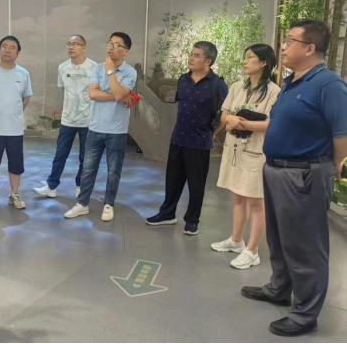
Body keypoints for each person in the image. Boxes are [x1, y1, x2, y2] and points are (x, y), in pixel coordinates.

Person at [241, 20, 347, 337]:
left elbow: (342, 134)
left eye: (290, 41)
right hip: (277, 169)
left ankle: (305, 314)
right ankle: (279, 288)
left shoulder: (328, 84)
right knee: (279, 239)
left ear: (310, 48)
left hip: (304, 174)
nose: (283, 46)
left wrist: (333, 166)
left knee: (305, 247)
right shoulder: (291, 82)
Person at [146, 42, 228, 236]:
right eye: (191, 54)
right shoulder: (183, 79)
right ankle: (167, 213)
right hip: (178, 138)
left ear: (208, 61)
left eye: (197, 55)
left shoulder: (217, 84)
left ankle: (192, 220)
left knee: (196, 184)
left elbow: (226, 114)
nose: (191, 58)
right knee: (172, 181)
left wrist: (213, 132)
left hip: (199, 143)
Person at [211, 45, 281, 270]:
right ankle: (236, 240)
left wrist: (242, 123)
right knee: (238, 198)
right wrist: (229, 120)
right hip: (235, 150)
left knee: (256, 203)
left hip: (256, 152)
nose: (245, 61)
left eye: (250, 57)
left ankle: (252, 251)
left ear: (263, 62)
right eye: (245, 57)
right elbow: (225, 113)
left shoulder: (273, 91)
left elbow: (272, 124)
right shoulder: (237, 87)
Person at [64, 33, 137, 222]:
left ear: (126, 51)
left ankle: (108, 204)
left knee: (113, 171)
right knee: (88, 169)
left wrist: (111, 73)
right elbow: (93, 94)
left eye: (116, 45)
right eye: (110, 43)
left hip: (117, 130)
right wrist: (118, 95)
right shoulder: (97, 68)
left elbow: (119, 94)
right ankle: (82, 204)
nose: (111, 47)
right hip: (95, 127)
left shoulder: (130, 72)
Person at [34, 35, 97, 199]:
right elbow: (65, 92)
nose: (71, 47)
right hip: (68, 120)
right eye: (69, 44)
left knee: (85, 157)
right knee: (60, 155)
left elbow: (96, 93)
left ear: (84, 47)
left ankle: (80, 186)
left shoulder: (94, 68)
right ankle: (51, 186)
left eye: (75, 44)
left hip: (87, 120)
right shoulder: (62, 67)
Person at [0, 36, 33, 210]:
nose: (8, 50)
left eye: (12, 47)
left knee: (16, 165)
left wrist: (13, 114)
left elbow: (26, 98)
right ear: (0, 49)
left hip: (15, 130)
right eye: (4, 46)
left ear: (18, 52)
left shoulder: (23, 73)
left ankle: (14, 194)